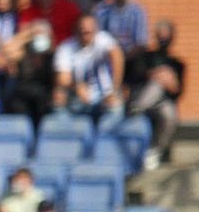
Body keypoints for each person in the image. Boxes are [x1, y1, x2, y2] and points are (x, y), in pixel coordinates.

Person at [127, 21, 183, 168]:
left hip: (162, 102)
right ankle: (136, 108)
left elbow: (178, 92)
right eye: (160, 36)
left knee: (170, 114)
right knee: (156, 85)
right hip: (143, 97)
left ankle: (154, 151)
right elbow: (137, 76)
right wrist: (158, 74)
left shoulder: (176, 63)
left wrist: (171, 84)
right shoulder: (146, 57)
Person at [53, 12, 123, 119]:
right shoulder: (66, 47)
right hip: (78, 99)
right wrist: (76, 86)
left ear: (96, 31)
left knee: (116, 106)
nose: (86, 35)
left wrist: (114, 89)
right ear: (76, 31)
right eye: (82, 32)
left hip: (105, 97)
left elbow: (117, 56)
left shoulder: (103, 39)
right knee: (58, 98)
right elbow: (63, 78)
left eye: (89, 32)